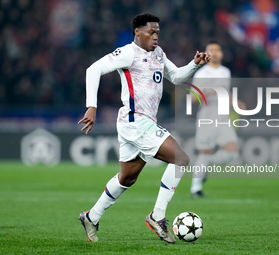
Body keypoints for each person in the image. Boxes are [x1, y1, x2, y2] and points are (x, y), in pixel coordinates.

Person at [78, 13, 210, 243]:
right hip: (135, 121)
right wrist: (92, 106)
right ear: (137, 32)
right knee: (181, 158)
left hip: (141, 123)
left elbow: (177, 77)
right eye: (151, 32)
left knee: (127, 178)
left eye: (158, 32)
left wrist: (193, 65)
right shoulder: (128, 53)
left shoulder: (159, 54)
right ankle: (157, 216)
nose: (155, 36)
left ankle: (91, 216)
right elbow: (93, 70)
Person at [190, 41, 245, 197]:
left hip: (223, 117)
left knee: (232, 153)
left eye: (217, 50)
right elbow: (193, 99)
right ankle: (196, 189)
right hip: (207, 117)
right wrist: (210, 92)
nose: (214, 53)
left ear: (221, 54)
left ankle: (205, 166)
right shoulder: (201, 74)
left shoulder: (225, 72)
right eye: (211, 50)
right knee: (204, 152)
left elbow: (225, 93)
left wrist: (236, 103)